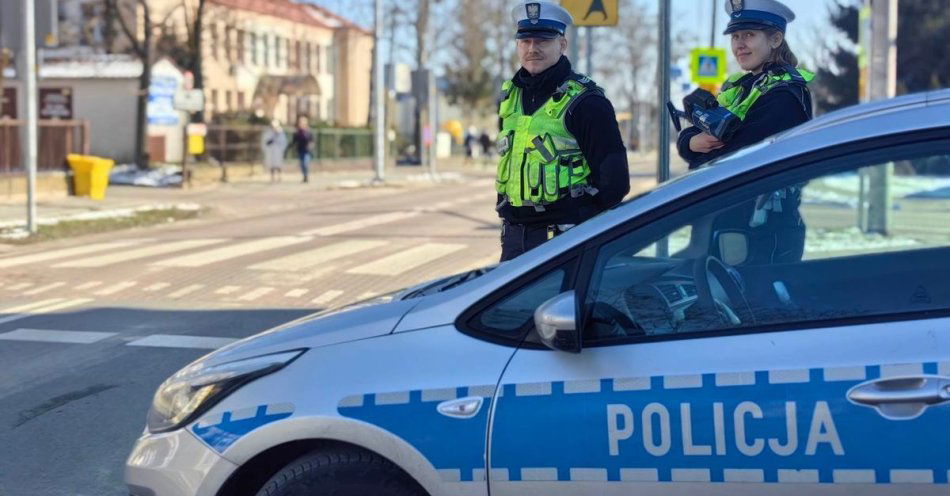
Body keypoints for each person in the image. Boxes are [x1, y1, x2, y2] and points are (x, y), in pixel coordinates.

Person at [677, 0, 813, 264]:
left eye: (749, 35)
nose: (739, 44)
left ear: (775, 39)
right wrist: (690, 142)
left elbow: (731, 159)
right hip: (732, 222)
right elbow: (696, 132)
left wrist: (698, 150)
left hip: (763, 234)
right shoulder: (740, 87)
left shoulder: (784, 94)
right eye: (735, 36)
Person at [496, 1, 629, 262]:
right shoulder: (509, 97)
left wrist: (579, 226)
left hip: (565, 241)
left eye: (543, 40)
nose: (532, 48)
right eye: (525, 41)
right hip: (513, 239)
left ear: (562, 44)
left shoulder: (587, 102)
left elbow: (615, 184)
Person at [261, 119, 287, 183]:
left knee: (278, 164)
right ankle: (272, 177)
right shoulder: (268, 133)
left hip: (278, 151)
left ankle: (279, 176)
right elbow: (264, 142)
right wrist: (270, 142)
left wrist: (281, 149)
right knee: (271, 164)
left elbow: (283, 142)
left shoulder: (280, 133)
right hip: (270, 151)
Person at [289, 116, 313, 183]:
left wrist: (310, 146)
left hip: (307, 151)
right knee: (302, 164)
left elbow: (312, 141)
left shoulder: (308, 132)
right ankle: (304, 176)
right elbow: (294, 141)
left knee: (305, 163)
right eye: (300, 123)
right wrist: (290, 147)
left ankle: (306, 175)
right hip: (300, 150)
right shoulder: (297, 133)